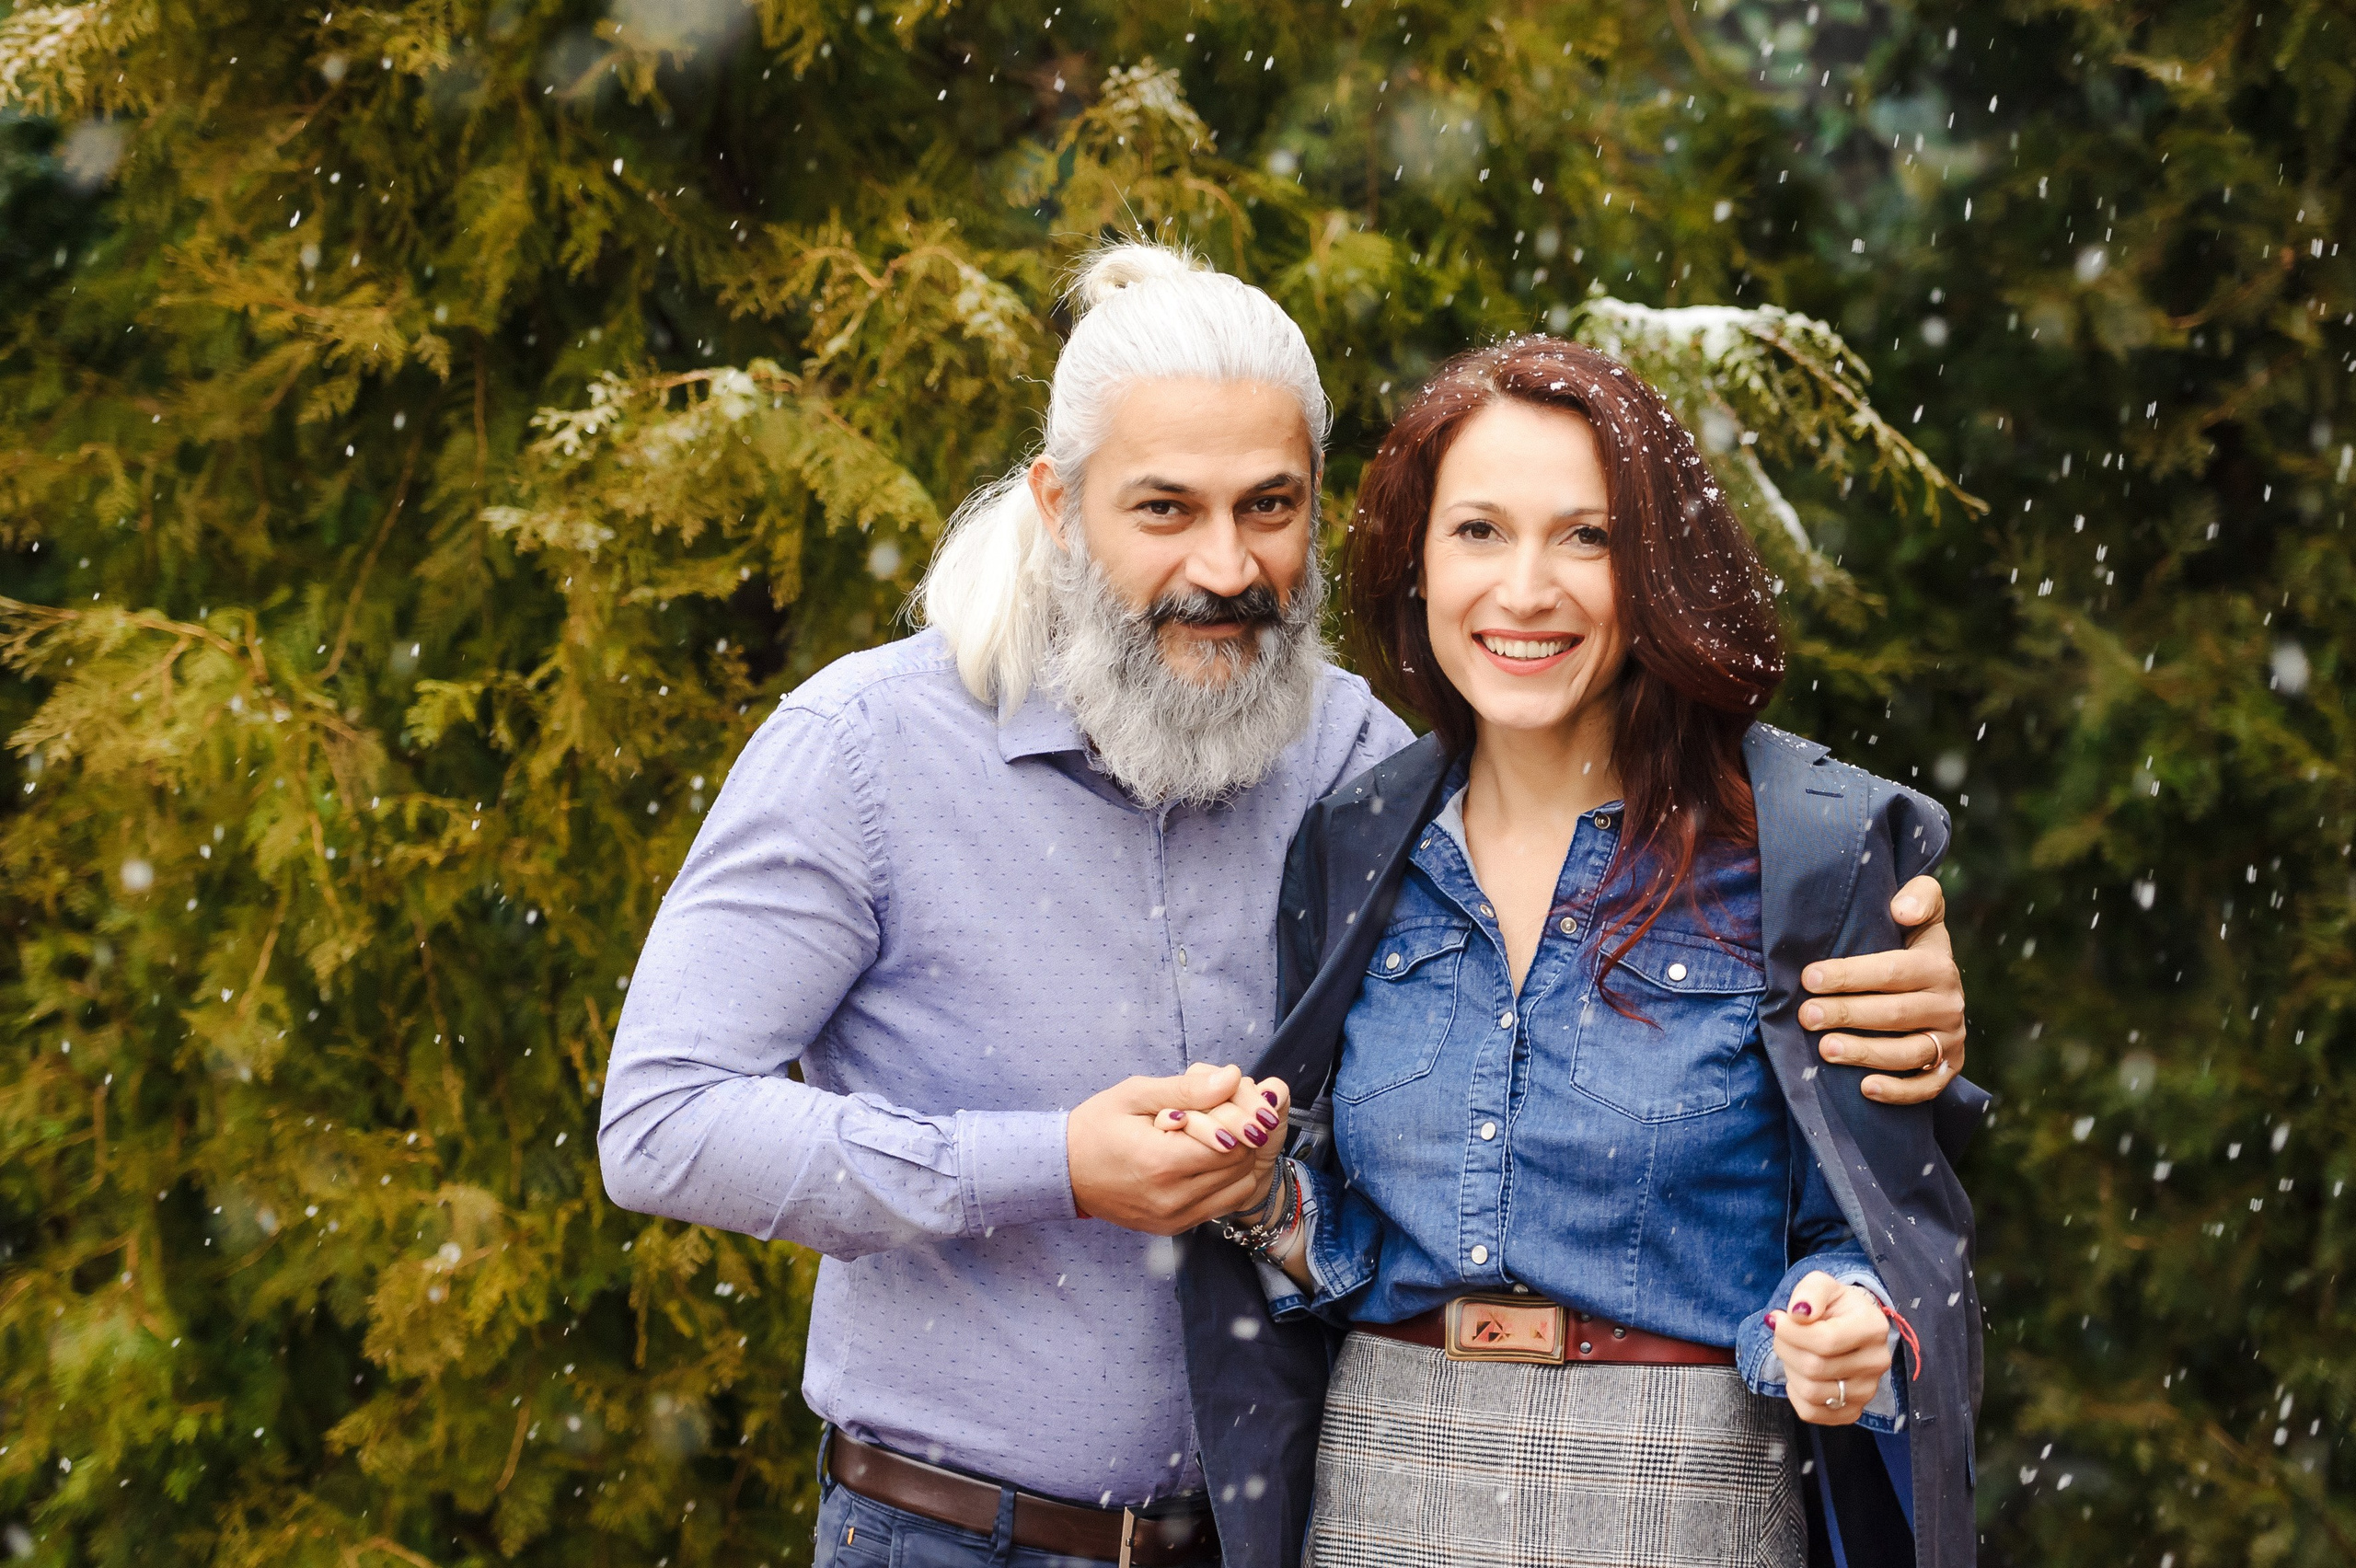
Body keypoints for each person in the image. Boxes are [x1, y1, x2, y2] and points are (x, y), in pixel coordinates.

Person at [595, 244, 1973, 1568]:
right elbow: (659, 1123)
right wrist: (1055, 1163)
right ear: (1060, 505)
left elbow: (1692, 975)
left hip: (1286, 1526)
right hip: (954, 1533)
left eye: (1269, 506)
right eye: (1164, 509)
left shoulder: (1363, 774)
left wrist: (1907, 1002)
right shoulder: (868, 749)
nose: (1228, 564)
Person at [1185, 337, 1982, 1568]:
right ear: (1415, 563)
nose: (1525, 590)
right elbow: (1343, 1244)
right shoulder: (1350, 851)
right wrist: (1258, 1195)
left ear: (1654, 569)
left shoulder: (1803, 855)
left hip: (1685, 1493)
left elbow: (1875, 1226)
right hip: (1381, 1484)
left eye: (1586, 538)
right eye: (1480, 533)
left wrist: (1847, 1326)